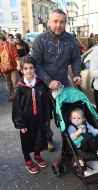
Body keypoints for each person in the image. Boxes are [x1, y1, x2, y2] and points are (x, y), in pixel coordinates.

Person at [32, 8, 82, 152]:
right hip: (43, 85)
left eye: (62, 22)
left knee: (64, 116)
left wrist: (77, 74)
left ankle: (67, 139)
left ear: (65, 23)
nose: (58, 25)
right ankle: (48, 138)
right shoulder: (40, 39)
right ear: (49, 22)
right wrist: (48, 81)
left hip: (62, 86)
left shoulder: (71, 40)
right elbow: (36, 63)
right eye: (55, 21)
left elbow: (76, 59)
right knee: (46, 116)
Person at [12, 56, 50, 174]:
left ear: (35, 68)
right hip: (26, 119)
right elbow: (16, 107)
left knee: (39, 136)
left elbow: (46, 102)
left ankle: (37, 155)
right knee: (27, 139)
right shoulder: (20, 87)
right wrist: (20, 123)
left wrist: (47, 117)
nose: (29, 71)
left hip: (39, 117)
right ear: (22, 70)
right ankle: (28, 159)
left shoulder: (40, 85)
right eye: (26, 68)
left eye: (31, 68)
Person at [0, 32, 20, 102]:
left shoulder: (10, 45)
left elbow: (15, 55)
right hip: (4, 67)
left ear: (1, 38)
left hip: (13, 65)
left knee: (15, 81)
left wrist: (18, 64)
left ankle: (17, 96)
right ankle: (12, 96)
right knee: (9, 82)